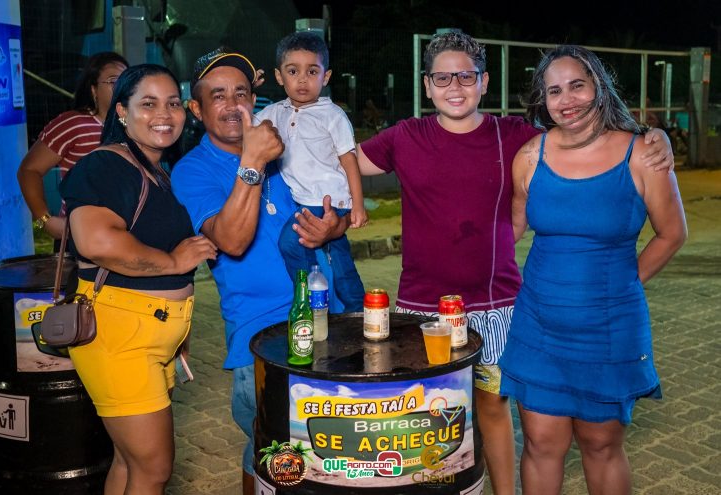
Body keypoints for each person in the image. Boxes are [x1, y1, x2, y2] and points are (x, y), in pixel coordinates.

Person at [356, 32, 675, 495]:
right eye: (443, 77)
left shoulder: (516, 138)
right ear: (426, 85)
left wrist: (654, 135)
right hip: (443, 309)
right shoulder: (415, 137)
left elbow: (589, 147)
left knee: (513, 414)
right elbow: (342, 159)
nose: (455, 85)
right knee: (434, 416)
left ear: (484, 82)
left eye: (466, 75)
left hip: (504, 308)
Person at [499, 45, 686, 495]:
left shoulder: (643, 154)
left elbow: (671, 233)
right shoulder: (529, 156)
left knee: (601, 444)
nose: (567, 100)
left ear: (599, 86)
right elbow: (510, 230)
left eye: (577, 85)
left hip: (610, 327)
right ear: (543, 101)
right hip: (538, 325)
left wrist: (623, 284)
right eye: (554, 91)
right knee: (542, 442)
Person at [170, 48, 349, 495]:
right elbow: (230, 240)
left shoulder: (287, 146)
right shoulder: (192, 171)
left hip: (331, 315)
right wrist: (251, 161)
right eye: (217, 96)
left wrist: (333, 225)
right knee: (274, 453)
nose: (233, 105)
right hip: (263, 335)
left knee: (337, 451)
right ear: (196, 108)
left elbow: (337, 208)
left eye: (241, 93)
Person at [58, 64, 217, 494]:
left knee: (130, 464)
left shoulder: (155, 169)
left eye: (171, 103)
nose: (163, 113)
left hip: (146, 334)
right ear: (122, 112)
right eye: (147, 103)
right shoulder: (105, 166)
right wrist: (172, 261)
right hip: (119, 337)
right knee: (154, 469)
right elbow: (96, 241)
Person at [256, 32, 366, 312]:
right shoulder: (274, 112)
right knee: (340, 257)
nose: (302, 79)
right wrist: (248, 84)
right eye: (293, 71)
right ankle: (357, 310)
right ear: (279, 76)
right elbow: (245, 121)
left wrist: (358, 205)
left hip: (328, 199)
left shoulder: (332, 115)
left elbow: (349, 159)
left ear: (325, 77)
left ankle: (309, 300)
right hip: (306, 200)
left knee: (291, 243)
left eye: (312, 71)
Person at [18, 51, 129, 239]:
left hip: (129, 236)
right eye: (113, 81)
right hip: (81, 237)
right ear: (93, 89)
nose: (122, 88)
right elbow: (29, 170)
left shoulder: (139, 126)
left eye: (127, 81)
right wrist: (45, 220)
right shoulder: (73, 124)